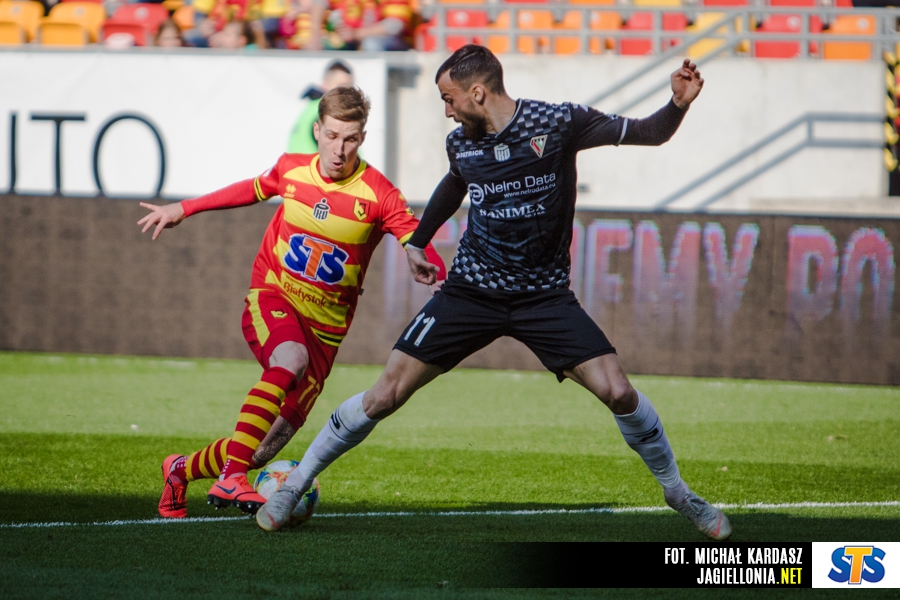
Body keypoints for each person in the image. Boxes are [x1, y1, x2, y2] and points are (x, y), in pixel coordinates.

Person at [257, 45, 732, 541]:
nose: (447, 111)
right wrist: (417, 241)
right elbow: (454, 184)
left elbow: (648, 132)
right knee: (385, 394)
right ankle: (295, 486)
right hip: (471, 291)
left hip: (543, 297)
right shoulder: (461, 144)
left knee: (618, 391)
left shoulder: (559, 123)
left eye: (449, 99)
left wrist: (677, 105)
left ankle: (678, 492)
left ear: (478, 93)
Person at [139, 86, 445, 518]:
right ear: (317, 130)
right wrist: (184, 208)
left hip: (326, 333)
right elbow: (250, 189)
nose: (339, 149)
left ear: (362, 138)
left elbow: (416, 238)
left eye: (350, 139)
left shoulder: (379, 194)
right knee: (290, 359)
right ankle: (231, 479)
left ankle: (180, 470)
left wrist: (433, 269)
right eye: (332, 136)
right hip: (273, 297)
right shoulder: (291, 170)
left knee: (261, 450)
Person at [288, 60, 353, 154]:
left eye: (350, 87)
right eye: (341, 86)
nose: (347, 92)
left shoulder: (312, 108)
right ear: (325, 84)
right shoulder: (329, 112)